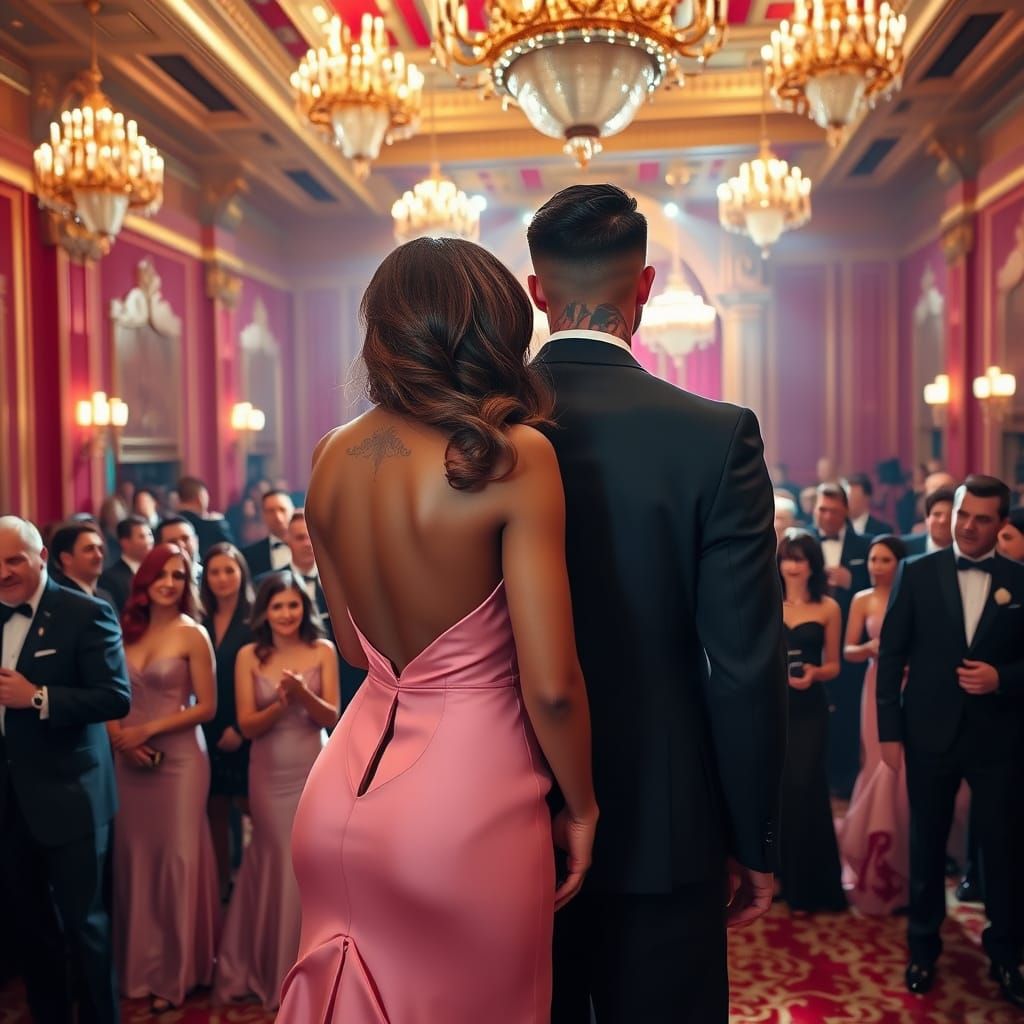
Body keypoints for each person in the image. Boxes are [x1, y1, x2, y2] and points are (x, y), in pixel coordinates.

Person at [278, 237, 596, 1024]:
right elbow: (551, 687)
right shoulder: (514, 456)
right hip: (465, 808)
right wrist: (582, 807)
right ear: (493, 328)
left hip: (338, 792)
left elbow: (356, 650)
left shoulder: (330, 455)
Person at [528, 184, 786, 1023]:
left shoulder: (478, 430)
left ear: (537, 292)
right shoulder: (716, 436)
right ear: (643, 287)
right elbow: (744, 665)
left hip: (513, 807)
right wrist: (754, 837)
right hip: (666, 818)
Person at [878, 475, 1024, 1008]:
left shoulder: (1019, 580)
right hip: (928, 732)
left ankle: (1006, 953)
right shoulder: (916, 574)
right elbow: (891, 656)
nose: (967, 526)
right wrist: (889, 733)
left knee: (1004, 849)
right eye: (962, 514)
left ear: (1001, 524)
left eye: (982, 519)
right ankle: (923, 948)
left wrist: (1001, 679)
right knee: (927, 844)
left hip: (999, 738)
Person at [0, 515, 130, 1024]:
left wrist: (37, 697)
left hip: (71, 795)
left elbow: (115, 697)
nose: (4, 572)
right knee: (31, 927)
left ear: (41, 558)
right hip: (11, 798)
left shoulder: (85, 612)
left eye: (13, 559)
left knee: (86, 927)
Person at [214, 572, 339, 1010]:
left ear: (304, 608)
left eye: (293, 605)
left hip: (313, 769)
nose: (286, 614)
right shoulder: (250, 654)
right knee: (273, 861)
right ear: (264, 612)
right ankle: (268, 968)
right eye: (277, 606)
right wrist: (280, 704)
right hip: (267, 772)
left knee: (310, 864)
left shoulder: (322, 649)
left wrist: (303, 694)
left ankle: (311, 967)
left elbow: (332, 718)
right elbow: (248, 725)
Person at [111, 543, 219, 1013]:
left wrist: (149, 729)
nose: (170, 583)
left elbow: (207, 707)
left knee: (177, 860)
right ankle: (138, 969)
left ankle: (177, 973)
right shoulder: (122, 630)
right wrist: (123, 739)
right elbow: (107, 694)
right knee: (135, 861)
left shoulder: (192, 634)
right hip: (127, 761)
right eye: (162, 575)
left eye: (179, 576)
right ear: (145, 580)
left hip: (179, 763)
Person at [776, 529, 846, 914]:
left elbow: (835, 666)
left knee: (806, 787)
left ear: (812, 565)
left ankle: (812, 885)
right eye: (788, 557)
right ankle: (782, 879)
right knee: (779, 790)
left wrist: (813, 675)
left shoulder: (828, 608)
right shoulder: (769, 602)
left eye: (800, 559)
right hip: (775, 707)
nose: (793, 565)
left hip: (811, 707)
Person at [839, 535, 910, 915]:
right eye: (872, 559)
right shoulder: (862, 599)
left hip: (908, 685)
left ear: (899, 563)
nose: (876, 566)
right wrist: (869, 649)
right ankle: (871, 855)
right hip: (873, 684)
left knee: (904, 772)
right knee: (877, 764)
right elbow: (847, 650)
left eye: (884, 559)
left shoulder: (912, 593)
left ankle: (901, 859)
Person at [199, 543, 255, 900]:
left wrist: (240, 727)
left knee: (254, 813)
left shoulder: (255, 618)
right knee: (214, 811)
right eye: (214, 572)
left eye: (229, 571)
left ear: (241, 573)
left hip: (247, 726)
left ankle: (255, 891)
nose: (222, 579)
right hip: (206, 726)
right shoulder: (198, 617)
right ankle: (220, 889)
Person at [100, 515, 154, 614]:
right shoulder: (110, 578)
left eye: (150, 535)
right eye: (142, 536)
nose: (149, 541)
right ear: (125, 543)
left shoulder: (157, 570)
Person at [176, 476, 234, 558]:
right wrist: (219, 523)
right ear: (200, 498)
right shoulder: (213, 525)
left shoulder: (173, 523)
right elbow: (231, 551)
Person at [242, 490, 294, 578]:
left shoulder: (313, 548)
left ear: (293, 511)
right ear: (262, 515)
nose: (278, 517)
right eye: (271, 511)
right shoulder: (249, 555)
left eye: (282, 509)